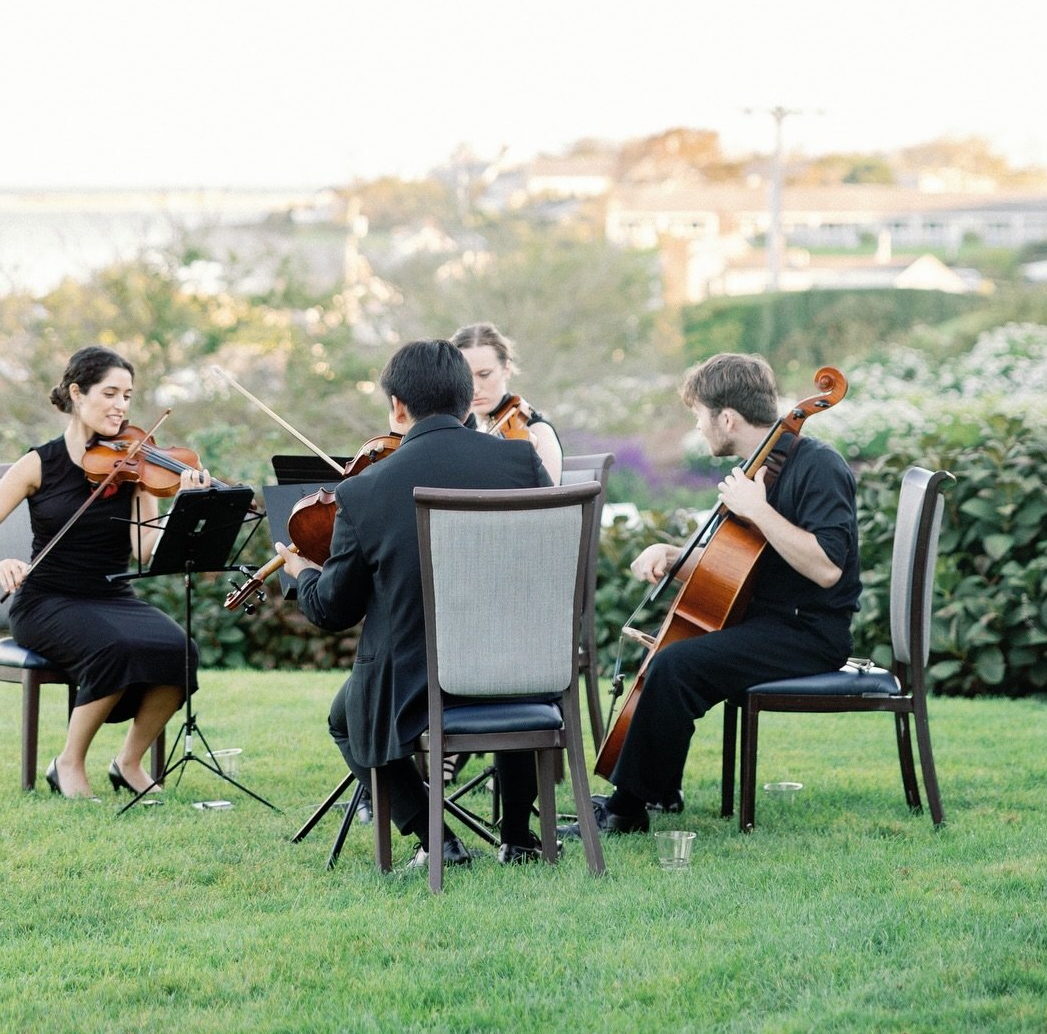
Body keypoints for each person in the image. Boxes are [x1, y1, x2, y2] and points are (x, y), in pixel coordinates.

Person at [279, 338, 552, 868]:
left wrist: (304, 572)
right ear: (465, 396)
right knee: (499, 673)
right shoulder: (522, 462)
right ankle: (518, 836)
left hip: (415, 681)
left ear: (399, 407)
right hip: (521, 667)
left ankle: (436, 840)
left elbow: (333, 611)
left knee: (346, 716)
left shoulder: (365, 491)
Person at [592, 351, 859, 835]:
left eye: (699, 417)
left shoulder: (818, 467)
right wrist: (673, 555)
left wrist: (758, 511)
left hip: (810, 632)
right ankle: (656, 789)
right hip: (766, 622)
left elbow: (826, 569)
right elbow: (738, 568)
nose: (698, 428)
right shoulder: (759, 469)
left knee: (677, 665)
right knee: (671, 650)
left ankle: (627, 811)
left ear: (728, 418)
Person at [0, 346, 208, 800]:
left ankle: (128, 762)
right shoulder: (39, 464)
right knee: (113, 648)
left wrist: (183, 508)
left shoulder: (135, 466)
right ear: (77, 393)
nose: (121, 406)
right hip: (47, 601)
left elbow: (143, 549)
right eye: (110, 393)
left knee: (181, 649)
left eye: (128, 396)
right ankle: (68, 763)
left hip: (112, 597)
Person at [452, 321, 563, 484]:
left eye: (484, 374)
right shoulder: (461, 430)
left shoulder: (537, 430)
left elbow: (549, 501)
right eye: (466, 377)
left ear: (507, 369)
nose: (474, 389)